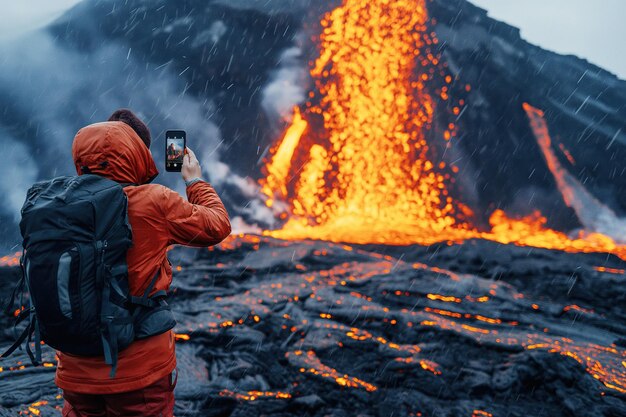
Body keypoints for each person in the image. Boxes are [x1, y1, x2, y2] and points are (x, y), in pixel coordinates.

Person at [58, 109, 231, 416]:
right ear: (137, 154)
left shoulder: (57, 203)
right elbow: (218, 225)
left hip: (75, 370)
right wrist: (194, 182)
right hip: (139, 372)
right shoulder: (152, 201)